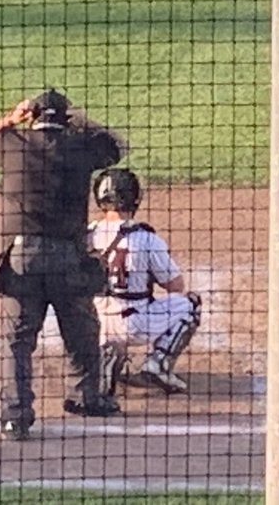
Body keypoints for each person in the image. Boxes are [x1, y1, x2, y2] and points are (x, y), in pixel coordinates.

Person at [0, 88, 126, 440]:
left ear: (33, 116)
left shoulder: (12, 144)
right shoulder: (81, 147)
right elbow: (117, 146)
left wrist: (11, 118)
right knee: (82, 331)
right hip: (69, 259)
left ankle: (15, 417)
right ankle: (86, 397)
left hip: (22, 261)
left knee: (17, 341)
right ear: (64, 118)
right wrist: (80, 121)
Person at [87, 168, 202, 397]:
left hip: (91, 325)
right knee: (190, 304)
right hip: (134, 324)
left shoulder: (85, 234)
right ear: (135, 198)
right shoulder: (146, 238)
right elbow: (175, 286)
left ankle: (100, 359)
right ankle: (158, 364)